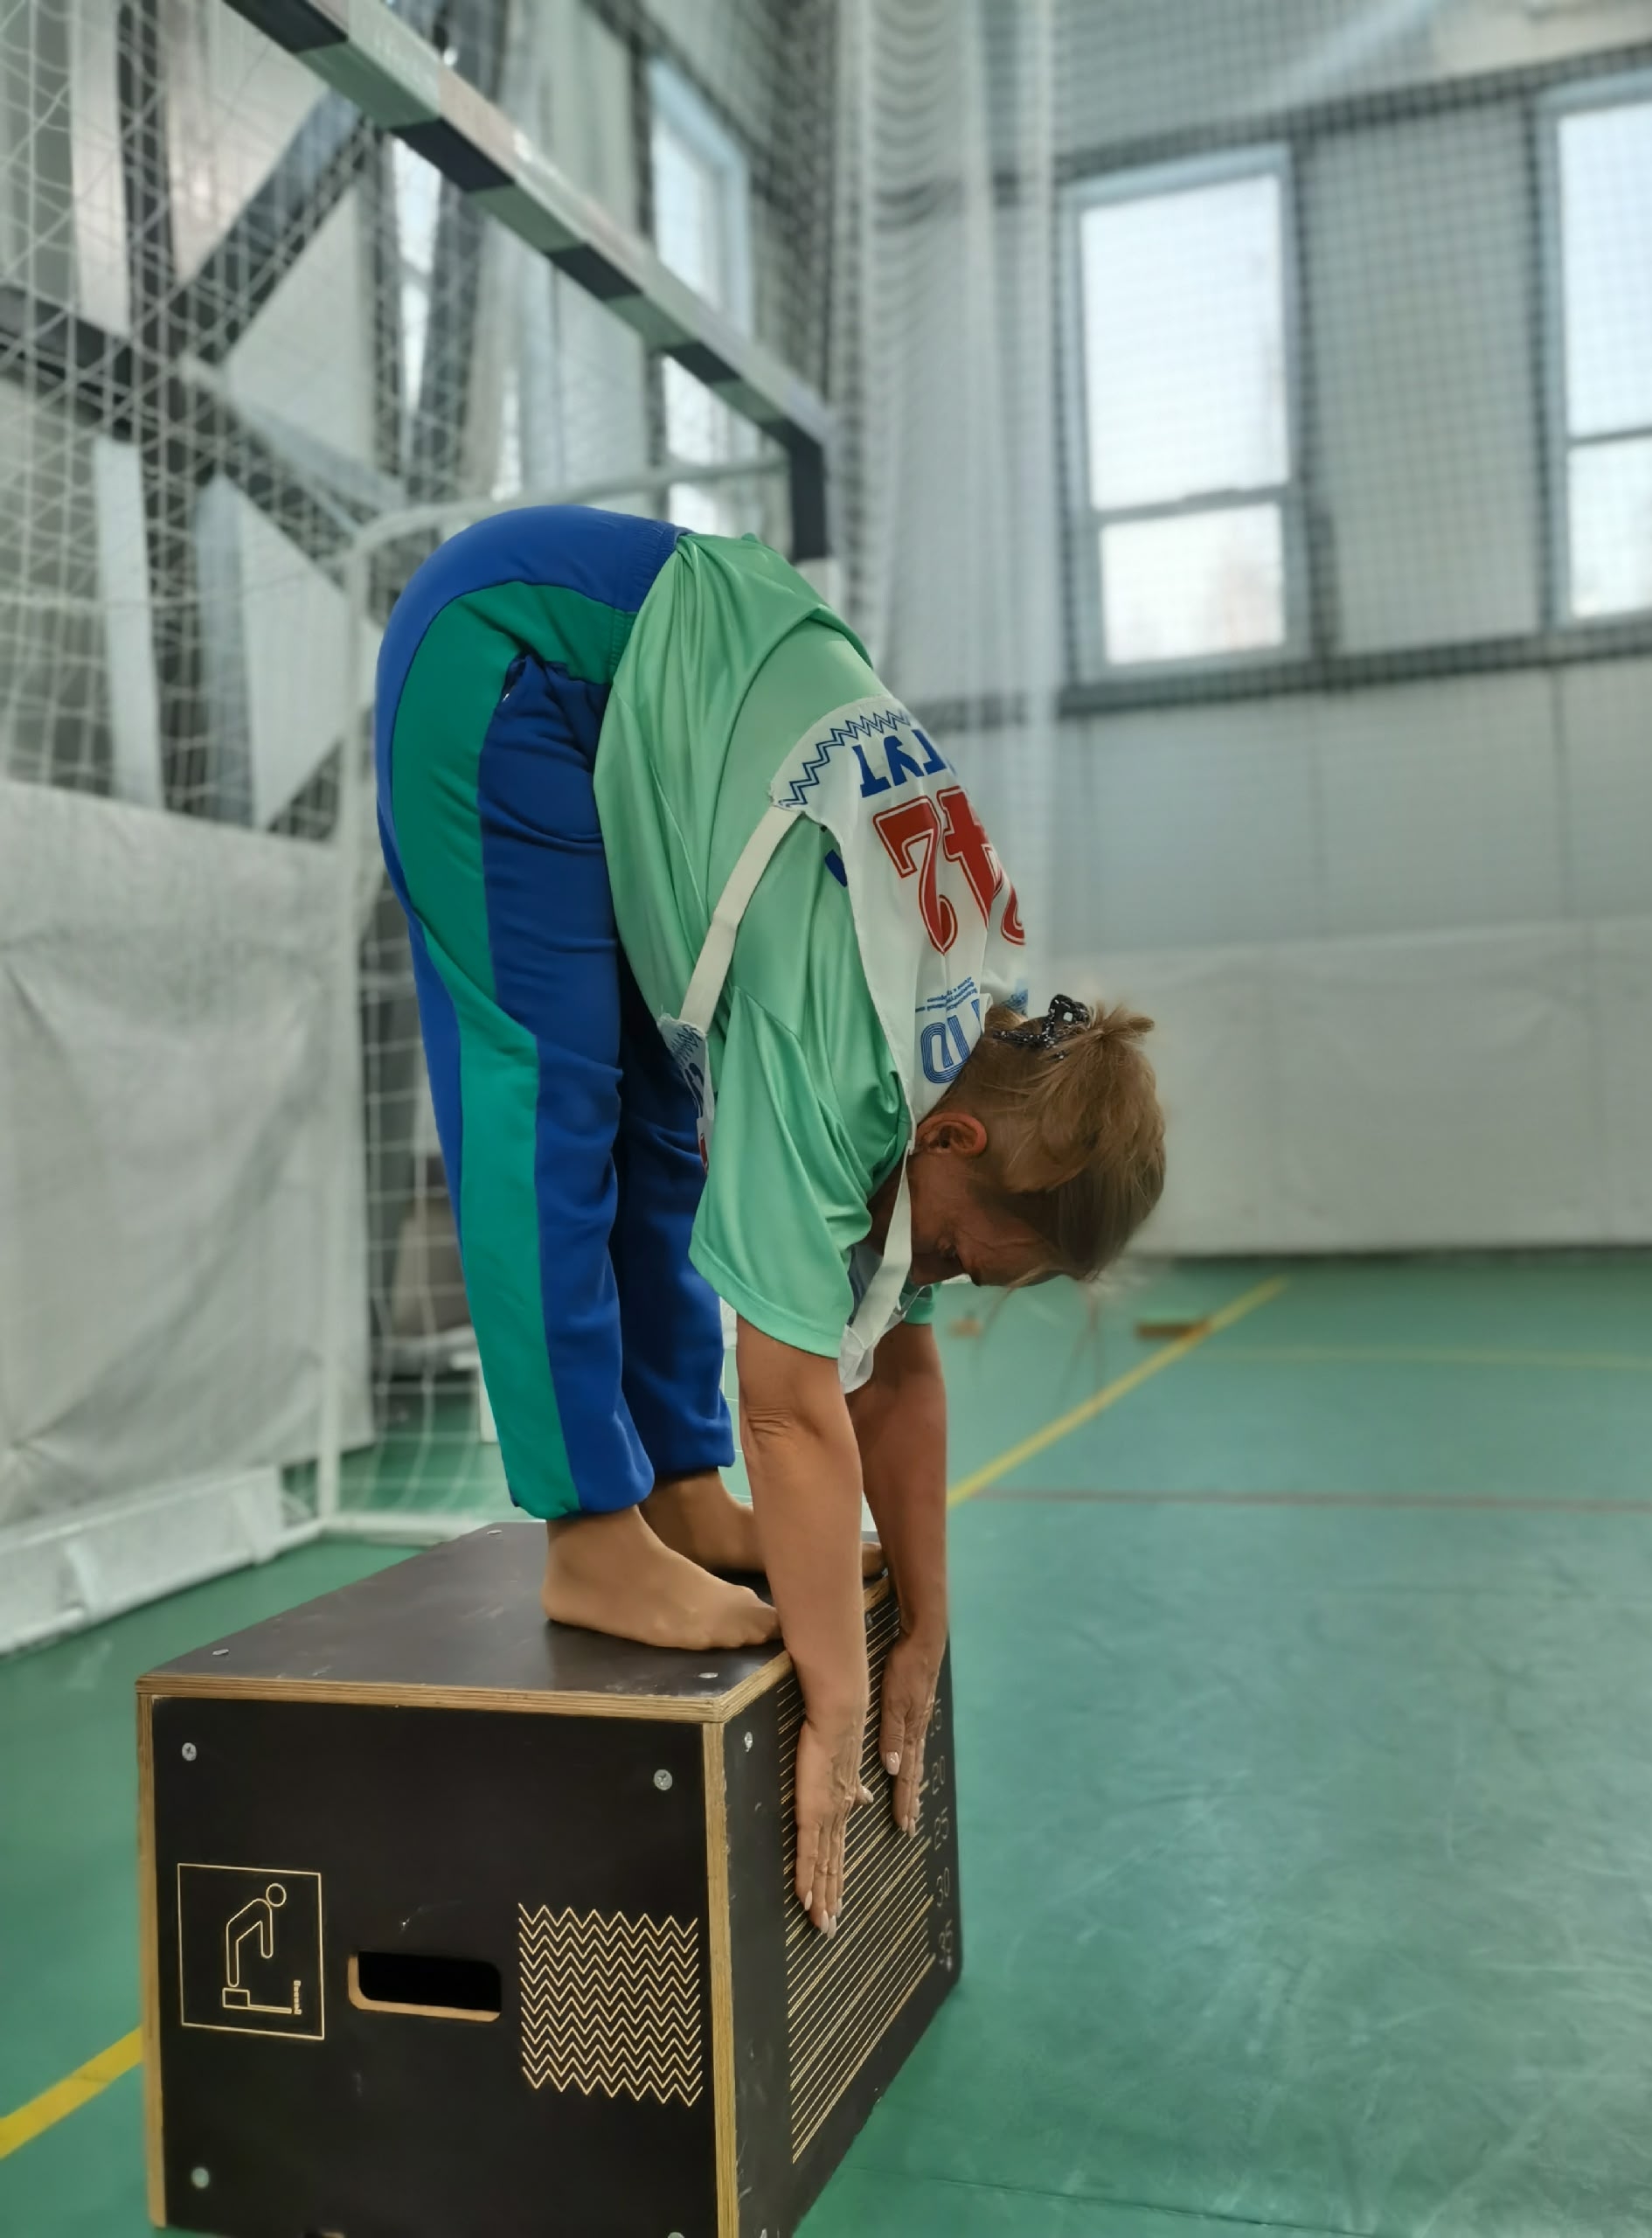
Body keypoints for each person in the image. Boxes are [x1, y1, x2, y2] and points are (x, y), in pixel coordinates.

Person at [374, 506, 1164, 1935]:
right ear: (956, 1145)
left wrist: (926, 1618)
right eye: (971, 1256)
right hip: (519, 657)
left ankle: (680, 1489)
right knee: (551, 1094)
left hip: (655, 685)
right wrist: (836, 1699)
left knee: (662, 1128)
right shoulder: (849, 1043)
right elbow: (796, 1406)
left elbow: (895, 1367)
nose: (945, 1280)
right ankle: (588, 1532)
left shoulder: (982, 1043)